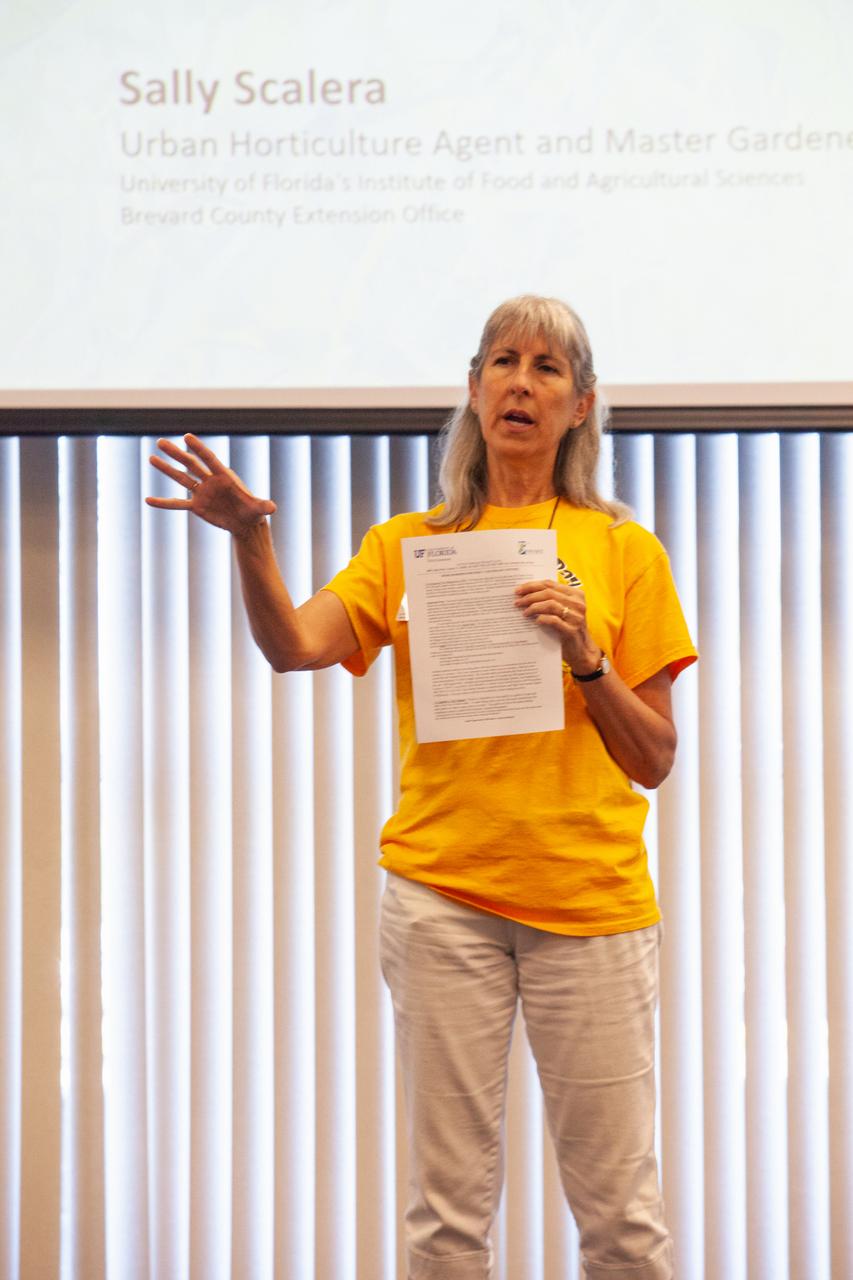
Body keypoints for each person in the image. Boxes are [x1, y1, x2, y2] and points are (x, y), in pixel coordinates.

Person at [148, 294, 697, 1280]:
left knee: (621, 1217)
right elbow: (293, 647)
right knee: (444, 1220)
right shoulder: (408, 542)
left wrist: (584, 656)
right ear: (474, 387)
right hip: (442, 902)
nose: (519, 382)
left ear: (581, 404)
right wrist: (246, 538)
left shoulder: (623, 549)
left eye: (545, 367)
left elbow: (653, 756)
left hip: (594, 909)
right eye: (501, 361)